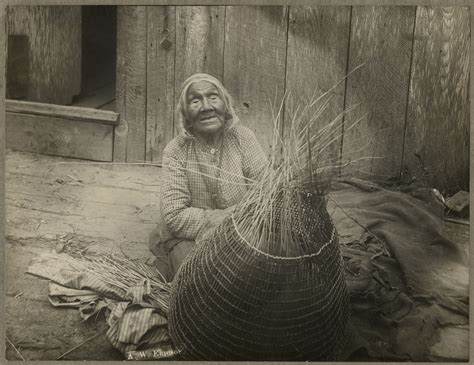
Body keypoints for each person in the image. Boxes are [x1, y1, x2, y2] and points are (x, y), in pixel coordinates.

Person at [149, 73, 267, 279]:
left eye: (213, 97)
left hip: (243, 231)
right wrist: (219, 220)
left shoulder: (242, 138)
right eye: (195, 101)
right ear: (185, 114)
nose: (206, 107)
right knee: (199, 279)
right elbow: (174, 215)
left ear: (226, 104)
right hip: (191, 238)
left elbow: (267, 190)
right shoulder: (176, 150)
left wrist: (231, 221)